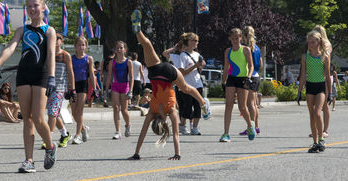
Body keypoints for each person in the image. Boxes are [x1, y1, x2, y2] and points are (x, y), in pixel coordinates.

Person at [128, 10, 206, 160]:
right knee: (147, 44)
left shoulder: (169, 112)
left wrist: (178, 154)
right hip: (156, 71)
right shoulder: (152, 110)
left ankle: (202, 103)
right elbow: (143, 133)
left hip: (170, 73)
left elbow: (175, 134)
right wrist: (136, 153)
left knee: (187, 89)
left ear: (164, 124)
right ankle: (138, 30)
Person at [0, 0, 57, 173]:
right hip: (23, 75)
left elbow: (51, 54)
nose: (32, 9)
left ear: (43, 8)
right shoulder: (22, 30)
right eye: (29, 6)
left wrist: (51, 76)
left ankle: (50, 146)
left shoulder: (49, 30)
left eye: (35, 5)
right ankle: (29, 160)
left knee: (38, 118)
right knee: (26, 118)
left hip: (41, 75)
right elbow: (11, 46)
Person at [297, 30, 331, 153]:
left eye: (313, 42)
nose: (310, 44)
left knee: (317, 112)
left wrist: (330, 93)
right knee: (312, 115)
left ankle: (321, 139)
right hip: (310, 86)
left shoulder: (324, 56)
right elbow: (303, 75)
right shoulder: (305, 56)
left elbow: (327, 75)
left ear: (318, 42)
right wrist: (299, 91)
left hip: (321, 86)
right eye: (309, 42)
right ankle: (315, 142)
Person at [220, 28, 254, 142]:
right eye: (233, 38)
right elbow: (226, 67)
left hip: (243, 79)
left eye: (237, 38)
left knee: (242, 107)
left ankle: (250, 126)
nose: (235, 40)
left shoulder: (245, 49)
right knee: (228, 105)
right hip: (231, 79)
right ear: (230, 38)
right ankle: (226, 133)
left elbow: (251, 65)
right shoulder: (228, 51)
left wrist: (249, 77)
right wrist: (223, 82)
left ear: (241, 38)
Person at [43, 33, 74, 148]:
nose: (55, 40)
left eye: (58, 39)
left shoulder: (65, 55)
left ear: (62, 41)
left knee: (52, 113)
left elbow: (70, 72)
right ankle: (65, 134)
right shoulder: (47, 54)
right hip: (47, 87)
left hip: (60, 88)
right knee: (54, 114)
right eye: (53, 38)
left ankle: (48, 139)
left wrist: (72, 89)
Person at [105, 41, 133, 139]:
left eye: (121, 48)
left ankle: (128, 124)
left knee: (124, 110)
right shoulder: (112, 62)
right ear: (115, 50)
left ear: (125, 50)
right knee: (116, 108)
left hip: (125, 86)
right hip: (115, 86)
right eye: (117, 48)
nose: (119, 49)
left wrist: (131, 91)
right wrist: (106, 89)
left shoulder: (128, 62)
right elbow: (109, 76)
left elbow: (131, 77)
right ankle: (118, 131)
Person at [71, 36, 96, 144]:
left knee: (79, 111)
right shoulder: (71, 58)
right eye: (79, 45)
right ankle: (84, 128)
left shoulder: (88, 58)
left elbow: (91, 74)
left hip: (83, 85)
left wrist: (94, 89)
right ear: (75, 46)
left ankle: (77, 135)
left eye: (83, 45)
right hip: (73, 85)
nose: (81, 47)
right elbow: (69, 72)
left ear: (86, 46)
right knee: (73, 113)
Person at [239, 26, 261, 136]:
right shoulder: (257, 48)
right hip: (256, 75)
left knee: (250, 104)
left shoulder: (246, 48)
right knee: (254, 104)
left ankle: (251, 127)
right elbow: (260, 63)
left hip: (249, 75)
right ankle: (256, 126)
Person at [312, 25, 332, 138]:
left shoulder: (327, 45)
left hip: (324, 77)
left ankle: (325, 130)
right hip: (316, 77)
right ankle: (316, 129)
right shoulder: (313, 45)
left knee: (324, 106)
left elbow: (325, 59)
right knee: (316, 106)